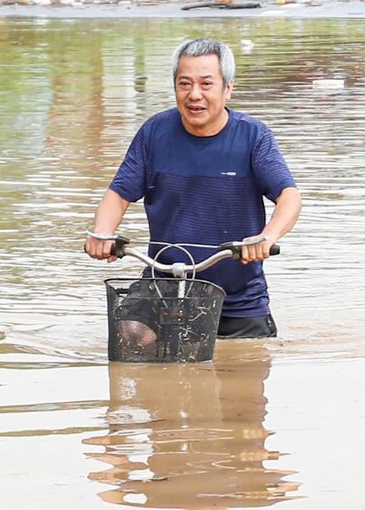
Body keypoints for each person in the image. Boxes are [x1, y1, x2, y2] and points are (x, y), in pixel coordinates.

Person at [86, 37, 301, 340]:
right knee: (130, 335)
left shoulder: (253, 136)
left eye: (206, 84)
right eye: (184, 84)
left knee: (245, 379)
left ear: (228, 88)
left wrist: (268, 236)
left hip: (238, 299)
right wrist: (103, 233)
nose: (194, 95)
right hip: (162, 286)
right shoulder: (154, 132)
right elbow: (119, 195)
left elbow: (288, 196)